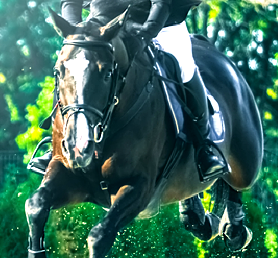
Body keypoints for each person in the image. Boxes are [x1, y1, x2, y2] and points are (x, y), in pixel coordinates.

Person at [58, 0, 229, 182]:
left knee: (184, 67)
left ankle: (203, 147)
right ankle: (56, 143)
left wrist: (145, 35)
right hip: (105, 26)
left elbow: (161, 4)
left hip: (160, 24)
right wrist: (74, 31)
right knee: (71, 67)